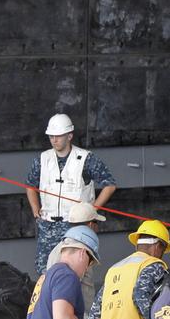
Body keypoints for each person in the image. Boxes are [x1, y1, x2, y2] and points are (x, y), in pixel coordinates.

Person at [25, 113, 116, 276]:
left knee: (77, 272)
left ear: (69, 136)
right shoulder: (42, 159)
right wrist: (35, 209)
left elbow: (109, 185)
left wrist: (92, 210)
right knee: (45, 273)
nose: (54, 140)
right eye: (51, 136)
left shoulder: (86, 159)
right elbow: (30, 185)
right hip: (47, 227)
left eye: (58, 136)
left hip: (76, 226)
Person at [85, 219, 170, 319]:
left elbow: (96, 309)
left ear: (136, 245)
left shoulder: (114, 269)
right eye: (163, 250)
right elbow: (140, 295)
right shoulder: (153, 265)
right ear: (158, 246)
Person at [46, 201, 105, 307]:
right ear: (91, 225)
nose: (97, 228)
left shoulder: (57, 249)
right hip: (72, 313)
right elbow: (79, 294)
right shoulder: (82, 252)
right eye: (97, 223)